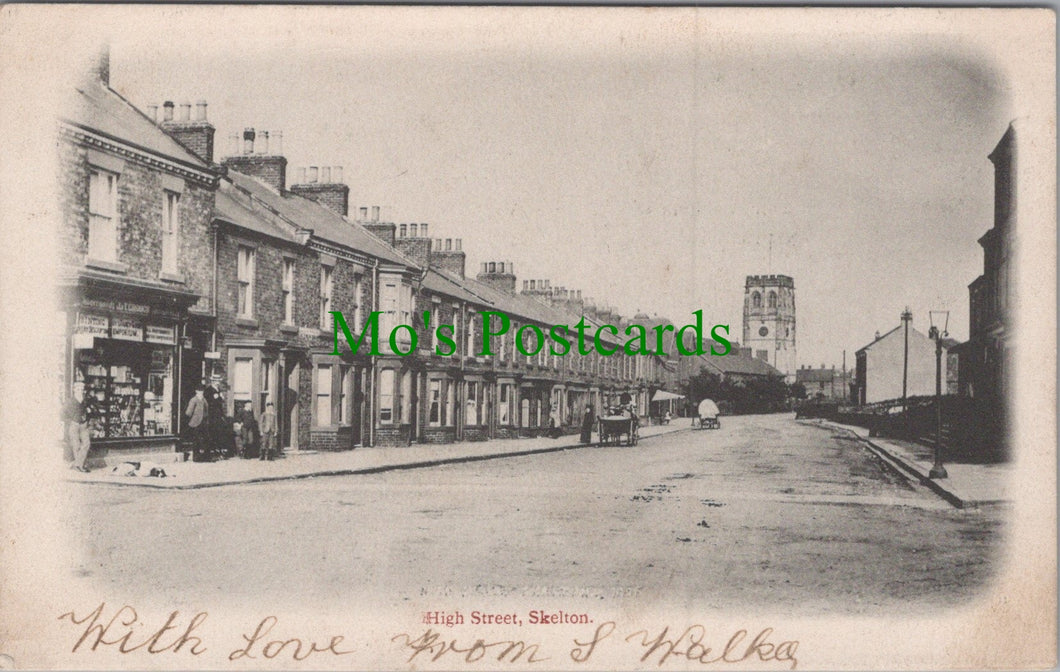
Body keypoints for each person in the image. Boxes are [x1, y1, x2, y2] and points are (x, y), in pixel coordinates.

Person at [64, 383, 92, 472]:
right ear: (74, 390)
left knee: (86, 444)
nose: (80, 391)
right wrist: (71, 422)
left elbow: (93, 410)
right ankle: (80, 466)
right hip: (74, 425)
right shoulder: (70, 401)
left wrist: (89, 412)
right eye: (78, 389)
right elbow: (62, 414)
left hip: (84, 425)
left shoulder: (86, 401)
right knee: (76, 445)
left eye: (82, 389)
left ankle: (77, 464)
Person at [185, 386, 209, 462]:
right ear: (196, 391)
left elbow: (206, 409)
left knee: (203, 439)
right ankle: (196, 458)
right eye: (199, 391)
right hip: (195, 422)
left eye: (202, 391)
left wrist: (205, 417)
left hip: (203, 422)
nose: (201, 392)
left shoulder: (204, 400)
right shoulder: (194, 400)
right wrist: (192, 418)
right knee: (196, 440)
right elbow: (189, 412)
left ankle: (203, 457)